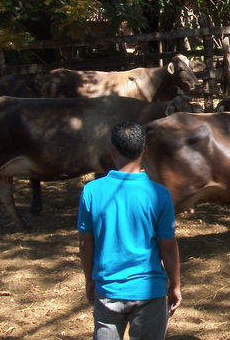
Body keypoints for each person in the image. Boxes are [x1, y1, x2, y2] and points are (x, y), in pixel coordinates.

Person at [78, 121, 182, 340]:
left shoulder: (91, 191)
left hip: (108, 292)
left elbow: (86, 244)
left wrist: (90, 280)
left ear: (113, 152)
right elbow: (168, 248)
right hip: (149, 293)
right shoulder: (159, 194)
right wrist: (175, 285)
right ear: (144, 150)